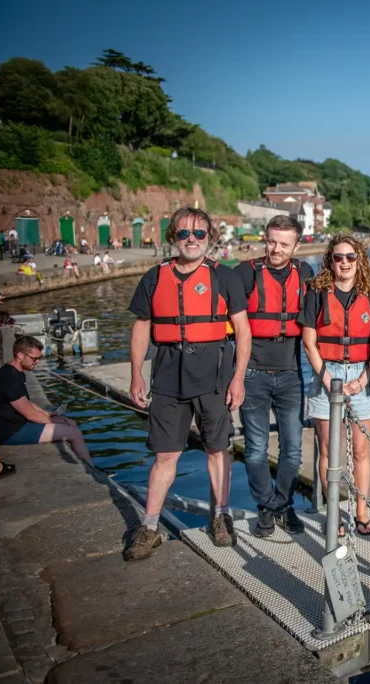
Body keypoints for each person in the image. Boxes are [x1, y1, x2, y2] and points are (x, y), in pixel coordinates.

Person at [123, 206, 250, 561]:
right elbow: (141, 327)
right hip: (166, 378)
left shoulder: (225, 278)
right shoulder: (153, 277)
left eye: (199, 234)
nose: (191, 240)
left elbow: (242, 330)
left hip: (214, 378)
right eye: (184, 233)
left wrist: (238, 378)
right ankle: (149, 526)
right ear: (172, 237)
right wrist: (136, 372)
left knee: (216, 449)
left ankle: (221, 516)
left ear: (210, 239)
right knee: (165, 455)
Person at [233, 215, 313, 537]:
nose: (276, 249)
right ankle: (266, 506)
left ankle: (284, 503)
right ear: (264, 239)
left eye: (283, 244)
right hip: (253, 374)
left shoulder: (305, 273)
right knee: (254, 449)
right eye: (271, 241)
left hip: (291, 374)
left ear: (296, 245)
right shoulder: (245, 272)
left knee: (292, 449)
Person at [301, 235, 370, 536]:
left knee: (361, 451)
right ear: (330, 261)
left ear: (358, 259)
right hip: (327, 373)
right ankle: (333, 513)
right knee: (328, 451)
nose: (344, 262)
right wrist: (327, 379)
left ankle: (362, 513)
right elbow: (309, 343)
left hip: (363, 373)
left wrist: (364, 378)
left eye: (350, 257)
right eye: (338, 257)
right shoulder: (317, 294)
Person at [0, 335, 91, 460]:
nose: (37, 361)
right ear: (20, 355)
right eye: (34, 359)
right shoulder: (9, 379)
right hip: (11, 432)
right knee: (75, 433)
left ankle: (84, 461)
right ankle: (93, 471)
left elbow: (27, 403)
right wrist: (55, 422)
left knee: (71, 423)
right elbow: (31, 415)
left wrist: (49, 415)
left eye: (39, 358)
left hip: (18, 425)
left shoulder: (15, 372)